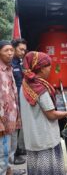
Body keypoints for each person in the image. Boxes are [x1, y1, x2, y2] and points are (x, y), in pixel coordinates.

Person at [19, 51, 67, 175]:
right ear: (41, 68)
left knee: (37, 170)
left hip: (32, 139)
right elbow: (51, 114)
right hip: (45, 140)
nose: (50, 68)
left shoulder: (25, 83)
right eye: (48, 66)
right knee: (48, 170)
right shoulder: (41, 89)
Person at [0, 40, 22, 175]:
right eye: (6, 50)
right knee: (2, 152)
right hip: (2, 120)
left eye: (11, 50)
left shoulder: (9, 68)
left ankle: (9, 172)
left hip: (12, 118)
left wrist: (18, 116)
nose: (9, 53)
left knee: (10, 149)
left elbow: (12, 94)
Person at [11, 38, 27, 165]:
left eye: (24, 50)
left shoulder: (19, 61)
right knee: (14, 127)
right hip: (12, 99)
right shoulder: (9, 63)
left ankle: (19, 149)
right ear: (13, 48)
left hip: (20, 96)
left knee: (20, 123)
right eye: (20, 49)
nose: (23, 52)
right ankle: (13, 155)